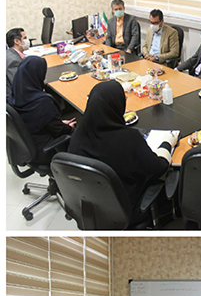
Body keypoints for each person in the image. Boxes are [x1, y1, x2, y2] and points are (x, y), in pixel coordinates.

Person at [67, 81, 177, 221]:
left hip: (91, 206)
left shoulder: (77, 135)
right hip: (126, 210)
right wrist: (167, 144)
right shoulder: (128, 138)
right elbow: (158, 168)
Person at [9, 56, 76, 162]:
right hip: (45, 151)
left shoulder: (14, 94)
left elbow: (37, 119)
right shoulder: (42, 101)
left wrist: (56, 121)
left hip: (27, 146)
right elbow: (58, 131)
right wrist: (69, 128)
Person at [6, 27, 28, 100]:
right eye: (25, 38)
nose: (27, 41)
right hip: (14, 98)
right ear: (17, 41)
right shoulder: (13, 61)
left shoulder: (11, 53)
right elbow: (19, 85)